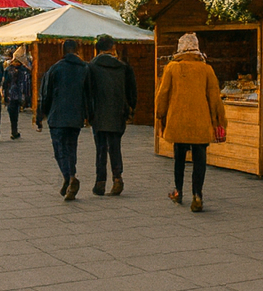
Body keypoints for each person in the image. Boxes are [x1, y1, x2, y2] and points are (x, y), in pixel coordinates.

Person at [154, 32, 226, 212]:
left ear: (180, 48)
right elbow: (214, 98)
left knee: (179, 158)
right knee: (199, 160)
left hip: (178, 121)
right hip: (201, 122)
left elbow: (163, 95)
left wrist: (160, 114)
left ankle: (178, 191)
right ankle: (197, 194)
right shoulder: (206, 69)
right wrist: (219, 121)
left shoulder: (171, 68)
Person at [37, 38, 90, 200]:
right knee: (71, 148)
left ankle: (69, 177)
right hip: (76, 116)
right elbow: (89, 94)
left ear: (63, 51)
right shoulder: (85, 69)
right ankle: (70, 178)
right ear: (77, 50)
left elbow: (45, 95)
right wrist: (88, 115)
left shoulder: (55, 69)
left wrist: (40, 116)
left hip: (57, 115)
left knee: (60, 150)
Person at [86, 35, 137, 197]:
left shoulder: (91, 67)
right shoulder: (123, 67)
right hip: (118, 113)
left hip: (98, 114)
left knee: (100, 147)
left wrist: (87, 113)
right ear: (112, 48)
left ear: (97, 49)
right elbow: (132, 91)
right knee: (115, 147)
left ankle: (100, 182)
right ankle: (117, 179)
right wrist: (131, 109)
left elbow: (87, 92)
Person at [2, 48, 32, 140]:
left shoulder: (9, 69)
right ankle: (14, 130)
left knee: (13, 113)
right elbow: (26, 84)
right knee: (15, 113)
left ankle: (14, 130)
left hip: (12, 94)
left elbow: (5, 83)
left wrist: (4, 94)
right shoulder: (23, 70)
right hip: (17, 94)